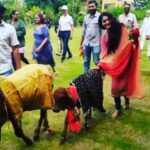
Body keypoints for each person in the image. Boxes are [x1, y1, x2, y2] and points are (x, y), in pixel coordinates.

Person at [97, 12, 144, 118]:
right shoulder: (104, 37)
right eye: (104, 21)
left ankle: (127, 100)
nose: (107, 22)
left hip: (126, 62)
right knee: (115, 87)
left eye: (108, 19)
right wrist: (101, 64)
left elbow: (131, 42)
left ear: (112, 19)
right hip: (115, 66)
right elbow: (104, 53)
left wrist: (135, 37)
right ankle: (118, 108)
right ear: (101, 24)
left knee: (126, 84)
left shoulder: (122, 29)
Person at [80, 0, 102, 72]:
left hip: (96, 44)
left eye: (93, 6)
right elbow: (83, 32)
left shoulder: (100, 17)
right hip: (86, 44)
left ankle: (99, 78)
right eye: (89, 7)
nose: (91, 8)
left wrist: (103, 46)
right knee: (86, 62)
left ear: (96, 7)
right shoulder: (86, 18)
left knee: (96, 62)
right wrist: (81, 44)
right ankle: (85, 79)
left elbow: (103, 32)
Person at [0, 4, 21, 76]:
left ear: (2, 13)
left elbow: (15, 49)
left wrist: (19, 70)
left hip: (5, 70)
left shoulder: (9, 28)